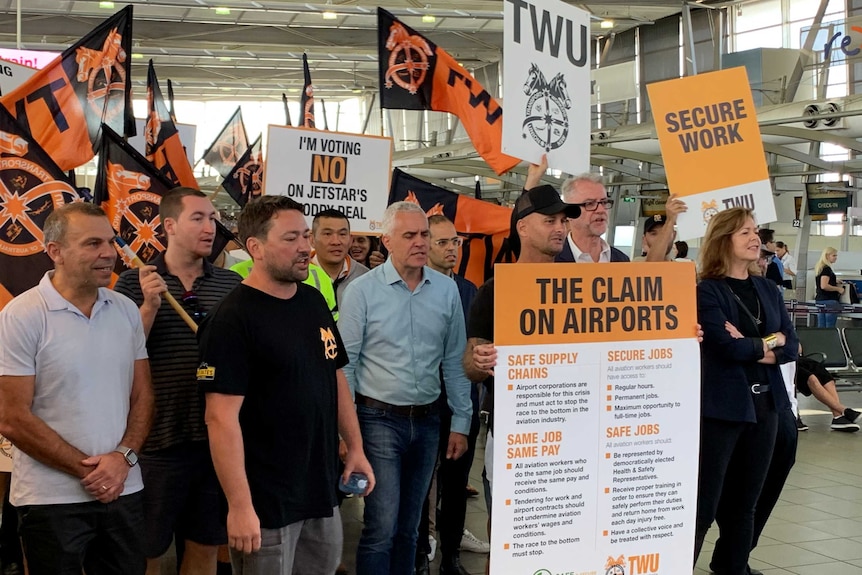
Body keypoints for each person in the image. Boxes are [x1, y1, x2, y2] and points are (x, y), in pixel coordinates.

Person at [198, 195, 374, 574]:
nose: (306, 248)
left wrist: (355, 447)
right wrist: (240, 505)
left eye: (306, 236)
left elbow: (335, 375)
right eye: (291, 238)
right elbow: (220, 419)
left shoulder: (312, 301)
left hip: (320, 490)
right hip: (267, 503)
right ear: (256, 248)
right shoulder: (231, 319)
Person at [0, 202, 154, 575]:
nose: (108, 253)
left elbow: (143, 396)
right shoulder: (22, 316)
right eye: (92, 244)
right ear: (55, 252)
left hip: (124, 490)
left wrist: (123, 460)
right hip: (50, 499)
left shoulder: (126, 311)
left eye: (110, 242)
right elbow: (11, 418)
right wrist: (91, 472)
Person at [338, 201, 473, 575]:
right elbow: (344, 366)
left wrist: (461, 420)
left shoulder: (446, 292)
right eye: (409, 235)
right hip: (377, 419)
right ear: (388, 240)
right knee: (382, 525)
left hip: (428, 422)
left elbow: (454, 360)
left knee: (410, 528)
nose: (419, 242)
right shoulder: (362, 292)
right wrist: (348, 434)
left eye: (424, 234)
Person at [114, 187, 242, 575]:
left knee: (205, 545)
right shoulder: (133, 284)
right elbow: (118, 354)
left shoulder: (230, 285)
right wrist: (149, 308)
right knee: (148, 550)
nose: (210, 227)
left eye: (212, 218)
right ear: (169, 225)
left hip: (214, 437)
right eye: (198, 218)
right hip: (156, 439)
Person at [464, 185, 582, 575]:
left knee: (567, 532)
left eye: (564, 221)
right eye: (551, 221)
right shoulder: (496, 292)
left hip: (573, 433)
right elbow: (470, 364)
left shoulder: (582, 288)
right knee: (510, 534)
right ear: (523, 228)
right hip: (517, 436)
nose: (560, 229)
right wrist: (480, 360)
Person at [694, 207, 798, 575]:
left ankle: (732, 567)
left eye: (755, 231)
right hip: (723, 408)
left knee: (746, 503)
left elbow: (792, 346)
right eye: (744, 233)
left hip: (766, 406)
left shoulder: (768, 288)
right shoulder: (707, 291)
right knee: (704, 505)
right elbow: (725, 346)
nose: (755, 239)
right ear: (724, 241)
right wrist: (769, 344)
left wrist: (758, 344)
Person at [415, 215, 486, 575]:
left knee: (456, 486)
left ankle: (451, 555)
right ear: (425, 244)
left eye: (455, 242)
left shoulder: (470, 290)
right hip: (423, 404)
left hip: (462, 405)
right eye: (443, 242)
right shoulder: (415, 289)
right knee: (419, 485)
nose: (451, 249)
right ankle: (418, 551)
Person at [311, 209, 369, 303]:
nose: (336, 242)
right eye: (327, 234)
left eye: (342, 234)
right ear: (312, 240)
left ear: (350, 240)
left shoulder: (365, 277)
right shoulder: (298, 275)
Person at [796, 354, 861, 431]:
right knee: (812, 379)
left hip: (796, 357)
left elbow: (798, 348)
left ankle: (838, 416)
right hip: (783, 361)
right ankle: (844, 410)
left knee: (826, 377)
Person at [814, 247, 844, 328]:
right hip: (829, 301)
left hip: (820, 300)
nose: (836, 258)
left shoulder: (820, 268)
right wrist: (839, 289)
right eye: (834, 255)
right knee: (830, 326)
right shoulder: (827, 269)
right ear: (827, 256)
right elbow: (824, 286)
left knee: (821, 326)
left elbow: (822, 280)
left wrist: (834, 280)